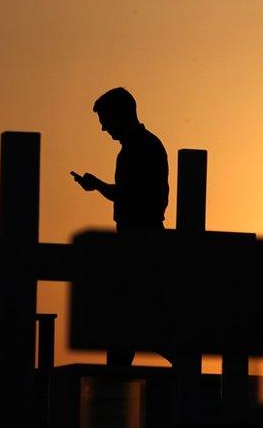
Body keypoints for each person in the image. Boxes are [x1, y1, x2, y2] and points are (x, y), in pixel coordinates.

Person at [71, 87, 169, 366]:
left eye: (105, 119)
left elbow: (134, 195)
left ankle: (116, 381)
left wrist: (98, 186)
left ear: (121, 115)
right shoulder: (143, 146)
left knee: (132, 319)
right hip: (139, 238)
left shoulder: (139, 149)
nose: (103, 127)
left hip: (141, 240)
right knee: (130, 322)